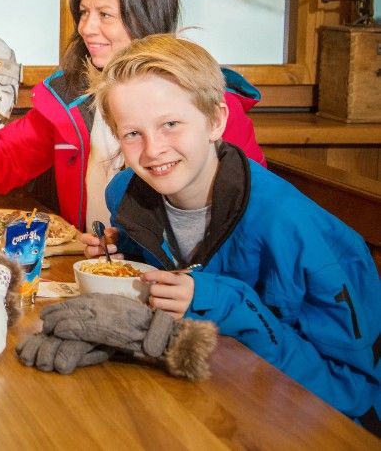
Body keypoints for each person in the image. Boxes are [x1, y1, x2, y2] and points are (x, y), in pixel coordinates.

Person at [79, 34, 380, 431]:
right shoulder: (127, 192)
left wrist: (219, 300)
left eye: (170, 124)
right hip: (196, 402)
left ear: (216, 121)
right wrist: (123, 253)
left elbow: (352, 393)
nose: (152, 150)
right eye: (132, 133)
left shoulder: (298, 232)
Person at [0, 0, 265, 230]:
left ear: (147, 17)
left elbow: (252, 207)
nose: (86, 27)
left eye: (105, 15)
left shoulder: (206, 101)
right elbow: (4, 165)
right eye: (84, 13)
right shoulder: (70, 97)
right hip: (91, 265)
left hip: (180, 278)